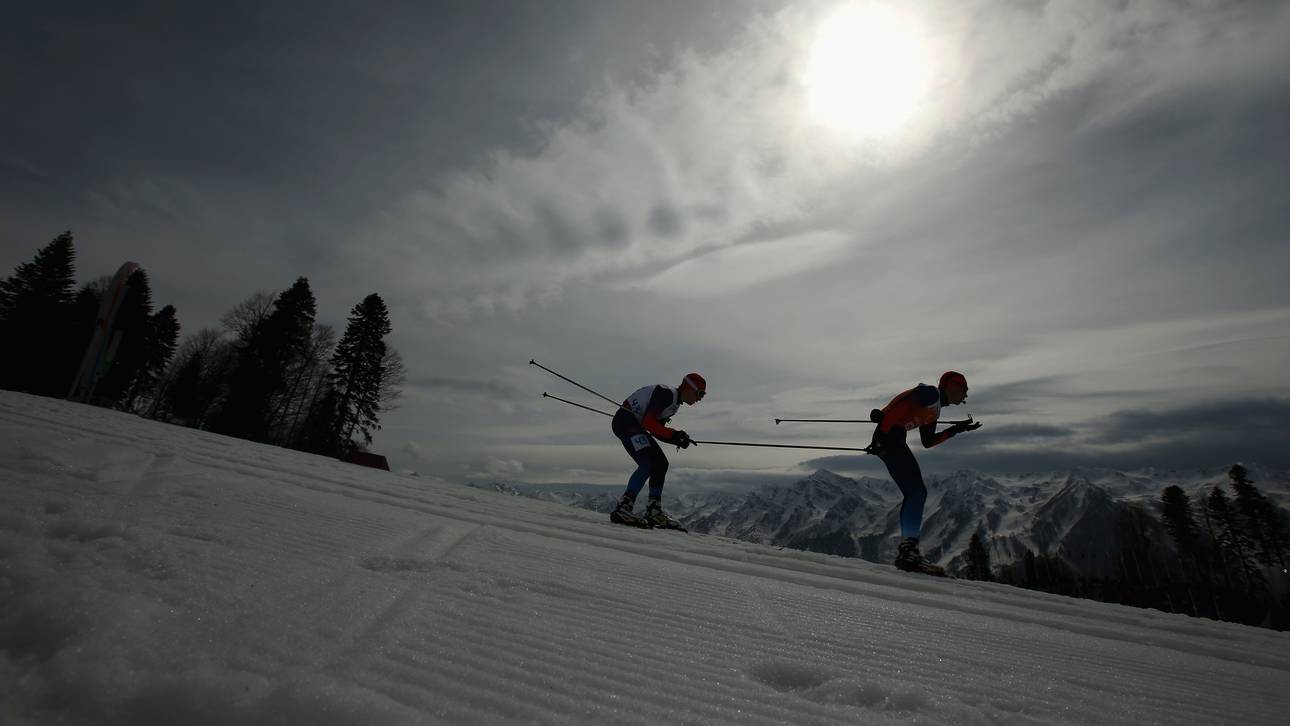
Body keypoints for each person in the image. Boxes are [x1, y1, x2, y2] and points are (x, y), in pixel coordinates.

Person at [868, 371, 981, 574]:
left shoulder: (934, 410)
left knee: (916, 492)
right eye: (964, 390)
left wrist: (957, 430)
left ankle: (909, 551)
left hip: (890, 438)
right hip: (890, 438)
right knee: (917, 492)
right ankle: (908, 553)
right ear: (953, 387)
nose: (965, 396)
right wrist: (882, 433)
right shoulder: (930, 394)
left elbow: (928, 442)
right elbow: (901, 404)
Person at [609, 373, 706, 528]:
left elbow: (655, 429)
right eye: (700, 393)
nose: (700, 398)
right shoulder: (667, 394)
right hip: (626, 422)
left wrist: (675, 438)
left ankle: (654, 511)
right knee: (648, 462)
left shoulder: (674, 404)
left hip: (633, 424)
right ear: (689, 388)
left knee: (661, 463)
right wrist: (674, 435)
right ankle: (623, 508)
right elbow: (649, 423)